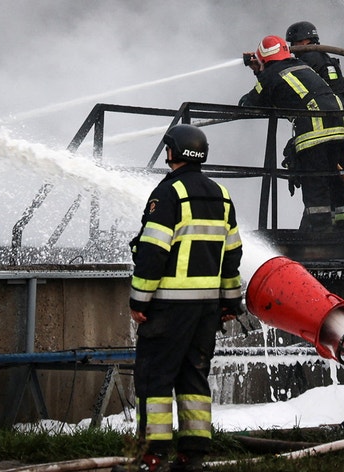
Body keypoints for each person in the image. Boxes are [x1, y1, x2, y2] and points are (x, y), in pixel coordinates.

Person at [122, 124, 243, 472]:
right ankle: (193, 457)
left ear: (173, 152)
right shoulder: (221, 194)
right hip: (206, 309)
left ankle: (152, 457)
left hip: (169, 307)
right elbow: (232, 253)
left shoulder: (169, 193)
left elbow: (153, 250)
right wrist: (230, 302)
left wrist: (139, 301)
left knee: (154, 379)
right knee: (194, 379)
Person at [239, 35, 344, 232]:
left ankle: (320, 236)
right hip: (339, 129)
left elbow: (248, 105)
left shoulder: (269, 75)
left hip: (314, 133)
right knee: (337, 182)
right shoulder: (301, 66)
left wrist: (259, 73)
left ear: (264, 60)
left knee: (315, 185)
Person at [285, 20, 344, 149]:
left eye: (294, 43)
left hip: (330, 124)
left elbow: (288, 83)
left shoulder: (309, 59)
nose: (292, 47)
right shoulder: (325, 58)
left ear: (304, 40)